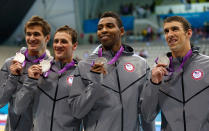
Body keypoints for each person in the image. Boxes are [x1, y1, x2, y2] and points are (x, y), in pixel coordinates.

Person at [68, 11, 155, 131]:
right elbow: (77, 112)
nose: (103, 30)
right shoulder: (84, 66)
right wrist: (95, 84)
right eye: (100, 28)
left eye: (109, 26)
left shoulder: (141, 64)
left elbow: (147, 113)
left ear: (122, 31)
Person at [141, 16, 209, 131]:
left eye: (175, 29)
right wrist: (154, 84)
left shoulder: (207, 65)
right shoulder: (158, 72)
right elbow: (147, 116)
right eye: (166, 31)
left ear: (188, 33)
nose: (170, 34)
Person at [14, 25, 81, 131]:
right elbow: (18, 108)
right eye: (56, 41)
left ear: (74, 45)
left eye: (63, 41)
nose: (58, 45)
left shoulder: (80, 74)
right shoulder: (39, 70)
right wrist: (30, 81)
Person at [0, 16, 51, 131]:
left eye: (36, 34)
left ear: (47, 37)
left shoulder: (54, 67)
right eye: (29, 34)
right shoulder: (10, 64)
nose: (31, 38)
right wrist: (13, 77)